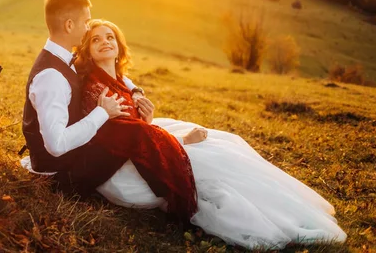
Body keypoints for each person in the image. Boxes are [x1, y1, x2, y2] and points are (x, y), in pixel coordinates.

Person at [75, 19, 348, 250]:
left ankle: (287, 211)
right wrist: (182, 140)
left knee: (227, 144)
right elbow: (128, 139)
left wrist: (142, 107)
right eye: (95, 40)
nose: (105, 42)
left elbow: (135, 118)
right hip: (126, 165)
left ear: (119, 46)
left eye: (110, 37)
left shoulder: (119, 79)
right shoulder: (96, 88)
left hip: (142, 140)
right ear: (86, 51)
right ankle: (274, 223)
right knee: (216, 163)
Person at [21, 0, 139, 195]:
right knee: (131, 140)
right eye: (86, 22)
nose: (87, 29)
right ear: (69, 25)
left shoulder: (63, 58)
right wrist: (103, 113)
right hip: (61, 175)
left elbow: (106, 71)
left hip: (74, 158)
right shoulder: (52, 77)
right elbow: (56, 145)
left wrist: (135, 90)